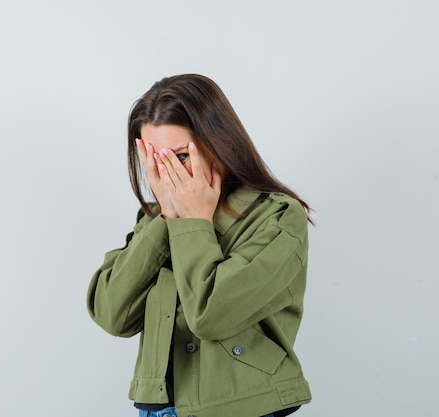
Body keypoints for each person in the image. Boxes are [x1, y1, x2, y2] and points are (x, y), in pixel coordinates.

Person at [87, 74, 313, 417]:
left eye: (180, 156)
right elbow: (111, 314)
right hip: (156, 408)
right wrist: (166, 220)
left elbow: (212, 315)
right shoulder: (155, 219)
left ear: (219, 143)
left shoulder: (276, 216)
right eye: (155, 160)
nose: (168, 174)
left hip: (242, 408)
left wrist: (193, 223)